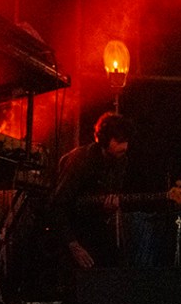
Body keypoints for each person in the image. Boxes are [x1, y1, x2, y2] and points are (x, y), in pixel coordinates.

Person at [50, 112, 134, 270]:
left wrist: (108, 210)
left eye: (126, 141)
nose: (125, 146)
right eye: (119, 141)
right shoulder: (80, 159)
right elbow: (58, 205)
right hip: (70, 231)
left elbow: (104, 202)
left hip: (93, 227)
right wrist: (73, 244)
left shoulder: (121, 161)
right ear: (104, 139)